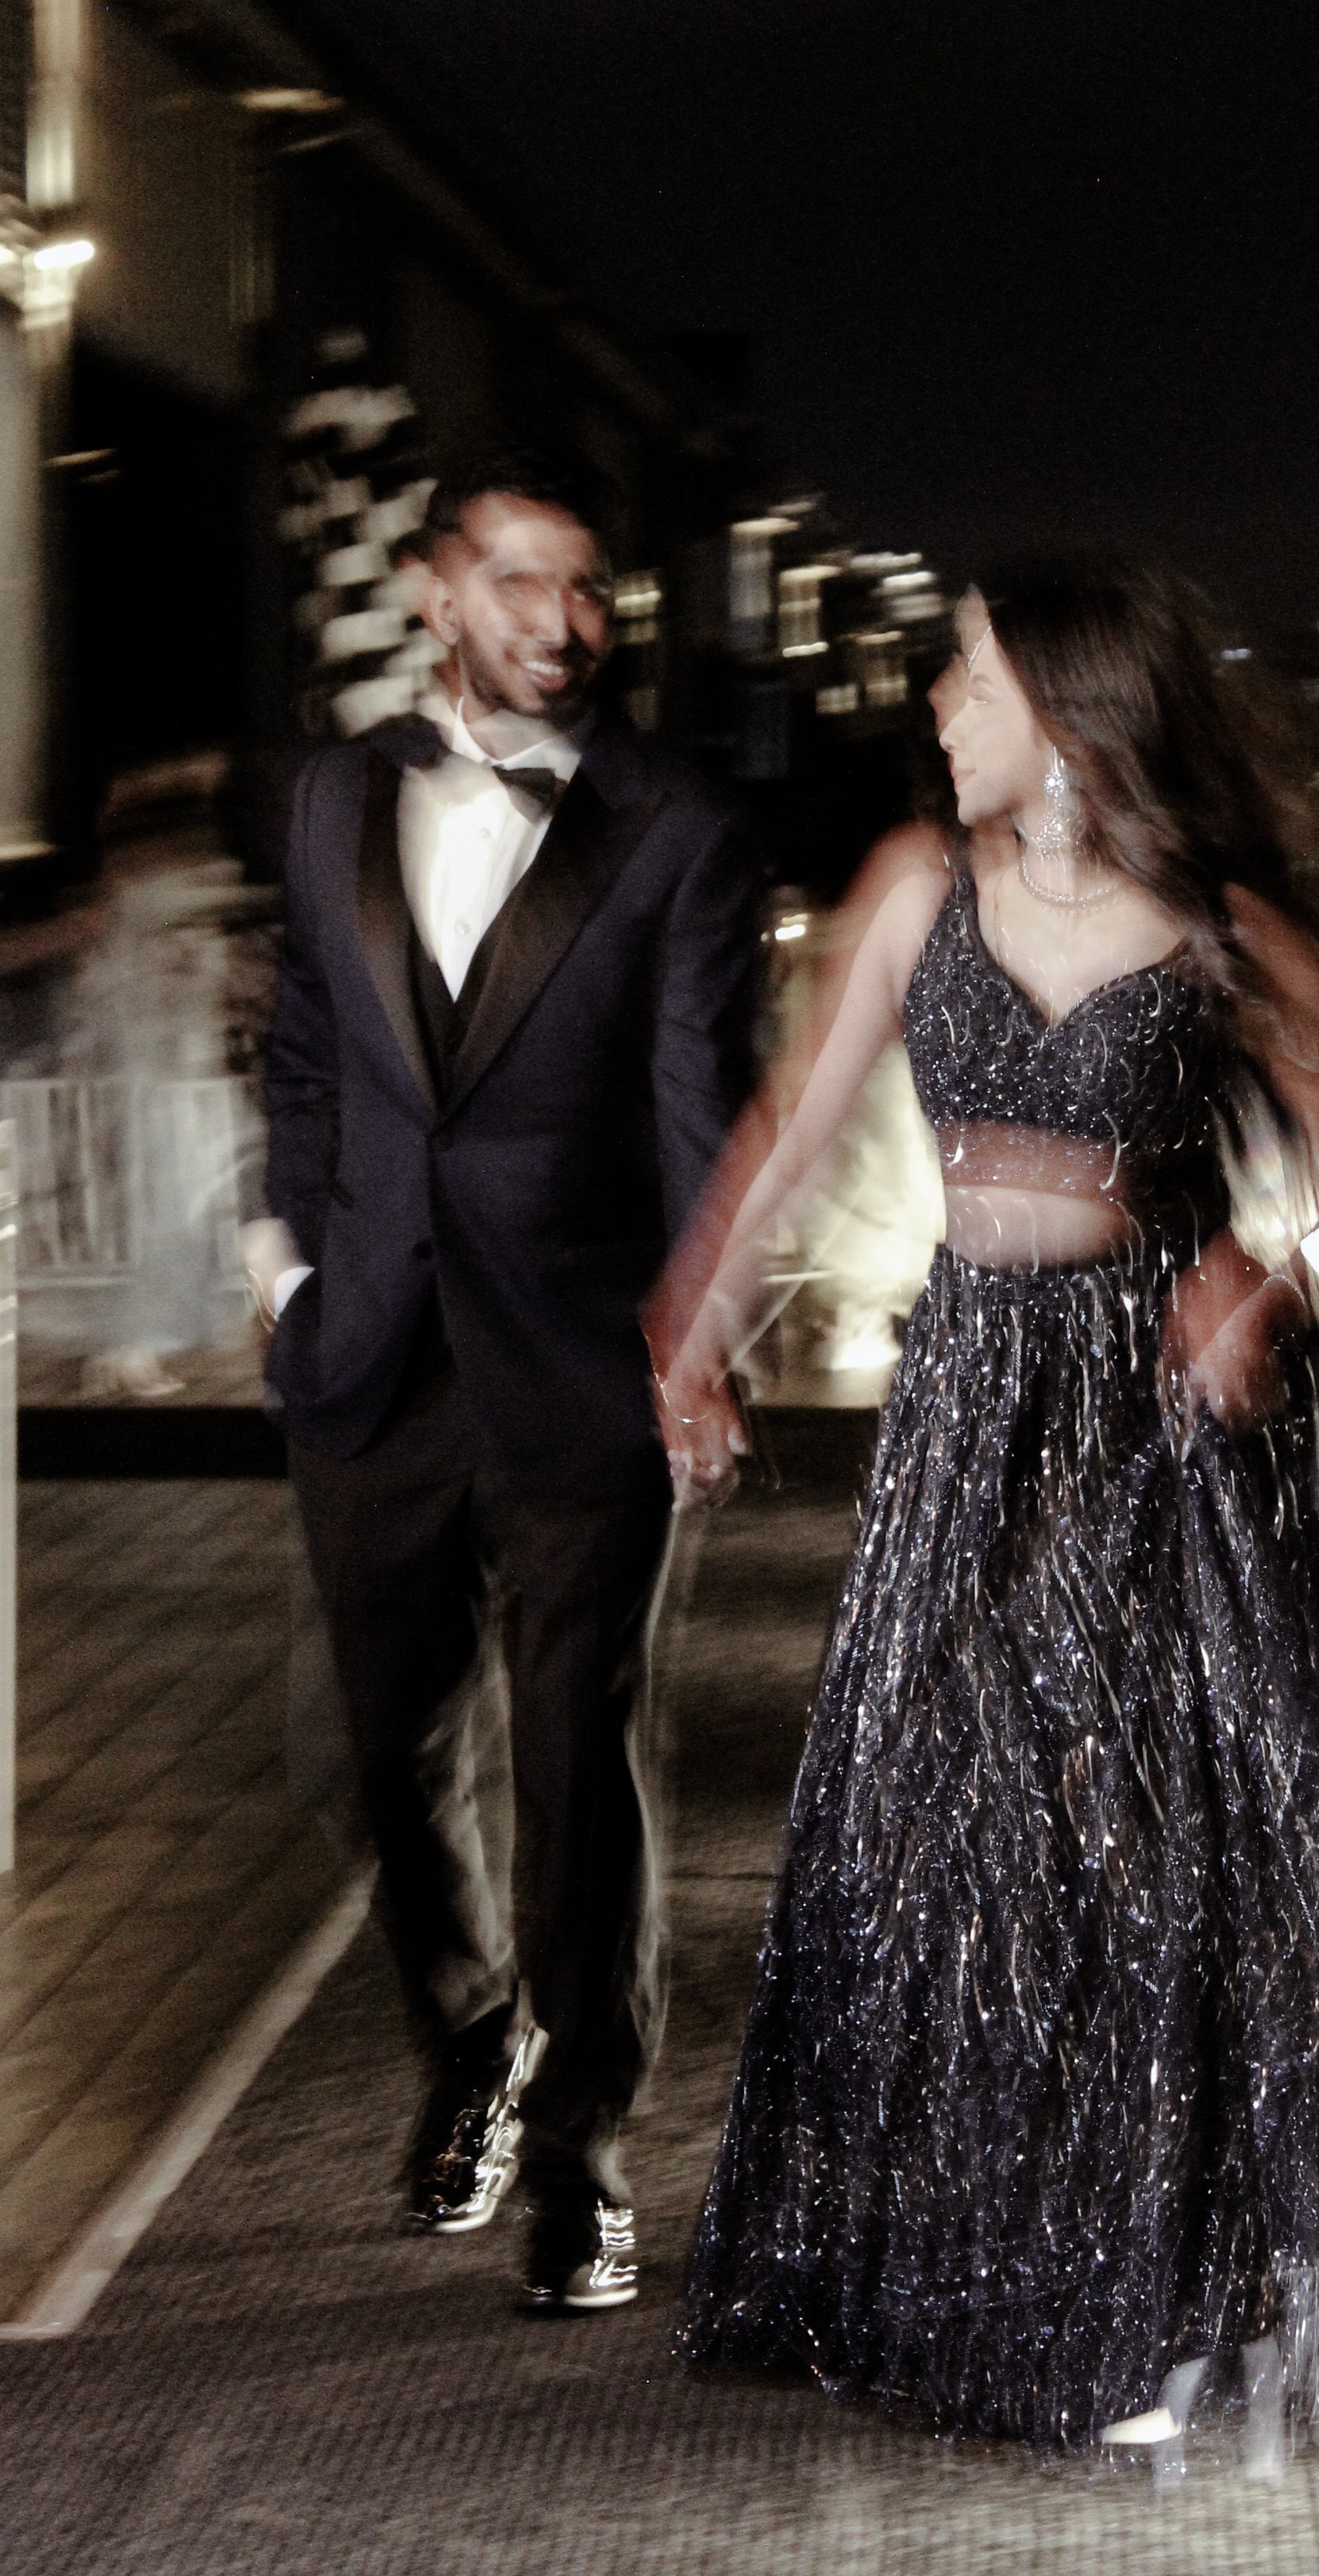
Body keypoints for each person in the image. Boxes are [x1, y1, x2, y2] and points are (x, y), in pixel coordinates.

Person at [662, 563, 1319, 2456]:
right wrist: (691, 1335)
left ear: (1067, 699)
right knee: (946, 1833)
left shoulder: (1224, 928)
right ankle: (955, 2256)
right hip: (971, 1413)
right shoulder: (917, 880)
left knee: (1157, 1839)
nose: (936, 692)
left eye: (969, 665)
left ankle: (1150, 2272)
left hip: (1157, 1432)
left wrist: (1259, 1275)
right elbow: (790, 1125)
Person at [254, 448, 760, 2311]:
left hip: (581, 1368)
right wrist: (285, 1264)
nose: (569, 623)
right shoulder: (330, 795)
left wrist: (698, 1341)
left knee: (576, 1770)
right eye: (529, 583)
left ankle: (585, 2160)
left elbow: (705, 1107)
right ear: (435, 590)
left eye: (591, 590)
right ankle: (471, 2039)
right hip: (368, 1355)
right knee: (370, 1758)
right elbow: (304, 1043)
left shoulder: (679, 824)